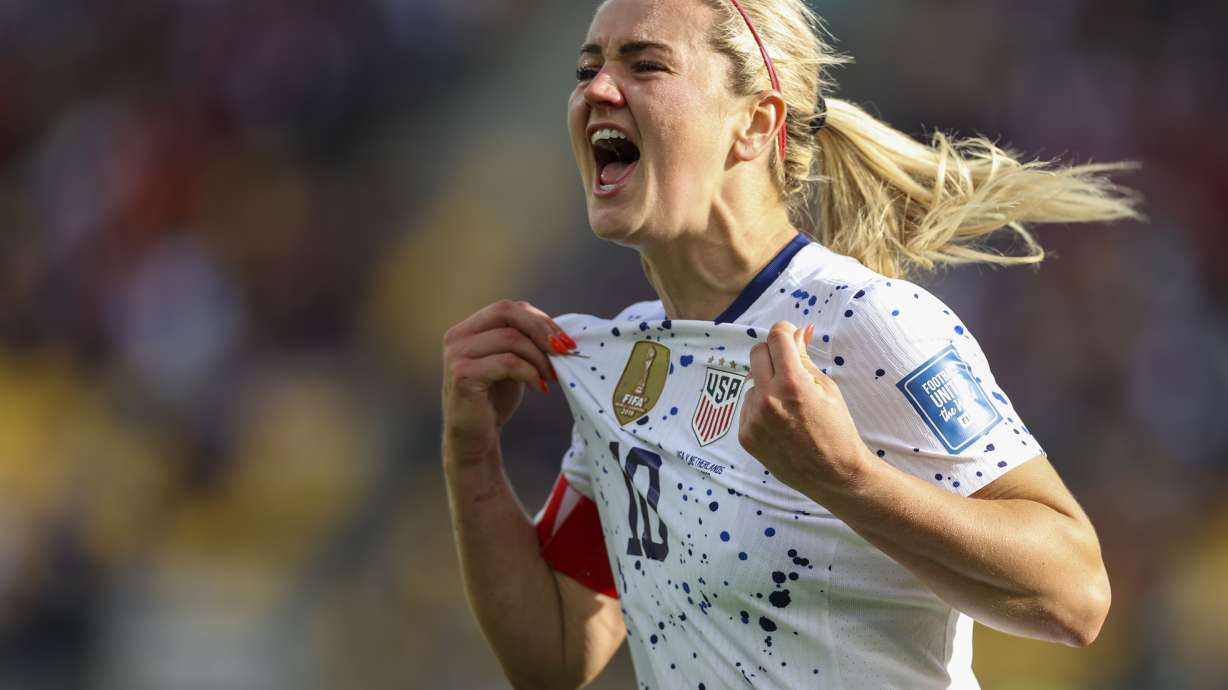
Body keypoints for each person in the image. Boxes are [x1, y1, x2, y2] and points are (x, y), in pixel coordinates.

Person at [441, 0, 1140, 688]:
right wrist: (472, 459)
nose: (595, 88)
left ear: (754, 123)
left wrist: (846, 477)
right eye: (586, 66)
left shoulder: (865, 321)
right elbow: (556, 653)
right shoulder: (629, 364)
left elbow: (1076, 594)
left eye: (646, 64)